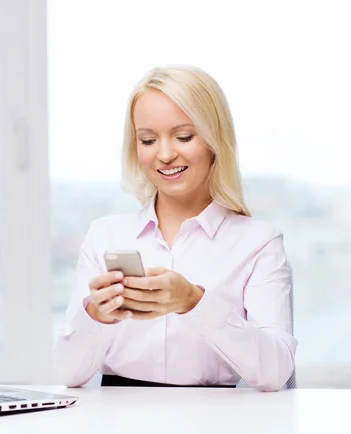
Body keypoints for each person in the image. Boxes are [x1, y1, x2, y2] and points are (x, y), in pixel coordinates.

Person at [53, 65, 297, 391]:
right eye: (148, 140)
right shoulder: (105, 235)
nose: (165, 154)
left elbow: (275, 374)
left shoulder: (258, 242)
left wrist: (194, 302)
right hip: (116, 420)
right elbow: (69, 374)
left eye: (183, 137)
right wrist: (98, 314)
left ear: (214, 141)